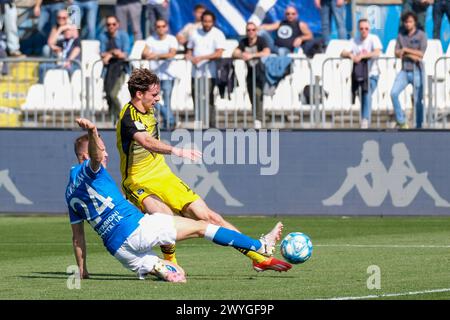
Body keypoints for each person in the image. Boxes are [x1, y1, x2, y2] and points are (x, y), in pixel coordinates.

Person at [68, 117, 288, 282]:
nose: (105, 154)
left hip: (120, 251)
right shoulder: (91, 169)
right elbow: (96, 157)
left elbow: (78, 238)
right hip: (137, 229)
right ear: (86, 156)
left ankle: (163, 266)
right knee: (203, 226)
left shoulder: (69, 193)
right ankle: (260, 246)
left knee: (177, 275)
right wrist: (93, 130)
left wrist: (82, 270)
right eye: (102, 149)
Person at [116, 68, 291, 272]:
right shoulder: (128, 116)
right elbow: (146, 141)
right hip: (137, 181)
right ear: (139, 94)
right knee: (164, 217)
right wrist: (176, 150)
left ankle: (257, 257)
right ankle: (171, 262)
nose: (158, 98)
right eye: (154, 94)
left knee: (210, 217)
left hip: (162, 175)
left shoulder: (150, 108)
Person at [186, 10, 225, 128]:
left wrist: (202, 58)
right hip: (195, 72)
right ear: (201, 21)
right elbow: (188, 51)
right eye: (205, 21)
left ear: (213, 22)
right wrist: (191, 58)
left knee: (208, 97)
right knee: (196, 96)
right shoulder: (194, 33)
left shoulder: (218, 34)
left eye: (209, 21)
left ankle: (211, 124)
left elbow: (219, 53)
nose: (207, 24)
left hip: (210, 73)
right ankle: (198, 121)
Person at [341, 19, 382, 129]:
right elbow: (343, 52)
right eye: (361, 28)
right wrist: (352, 56)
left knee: (366, 92)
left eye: (366, 28)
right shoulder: (354, 40)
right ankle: (365, 119)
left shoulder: (373, 38)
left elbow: (377, 52)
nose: (364, 31)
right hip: (359, 75)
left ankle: (365, 119)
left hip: (372, 73)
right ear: (359, 29)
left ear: (369, 29)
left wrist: (362, 56)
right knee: (363, 96)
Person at [322, 140, 389, 207]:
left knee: (353, 173)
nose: (362, 151)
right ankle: (337, 197)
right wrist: (363, 159)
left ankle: (337, 197)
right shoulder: (375, 162)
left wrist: (363, 158)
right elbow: (360, 169)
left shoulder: (375, 163)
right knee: (354, 173)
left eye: (364, 149)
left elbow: (358, 170)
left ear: (371, 151)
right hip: (374, 199)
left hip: (374, 201)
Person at [390, 11, 427, 129]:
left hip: (418, 71)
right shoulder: (401, 35)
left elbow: (420, 54)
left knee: (417, 100)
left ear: (415, 22)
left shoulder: (421, 35)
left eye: (410, 21)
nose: (407, 24)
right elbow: (396, 52)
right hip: (405, 70)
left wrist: (405, 50)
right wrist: (410, 55)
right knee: (394, 93)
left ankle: (419, 126)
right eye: (406, 22)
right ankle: (401, 121)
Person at [232, 21, 270, 129]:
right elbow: (234, 53)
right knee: (252, 95)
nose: (251, 32)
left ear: (256, 31)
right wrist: (241, 54)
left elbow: (267, 52)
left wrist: (252, 55)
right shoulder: (243, 42)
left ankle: (259, 118)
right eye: (248, 30)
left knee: (258, 94)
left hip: (260, 73)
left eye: (253, 30)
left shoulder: (261, 41)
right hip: (250, 73)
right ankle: (255, 118)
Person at [388, 142, 450, 207]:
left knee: (421, 178)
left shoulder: (398, 165)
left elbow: (415, 175)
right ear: (401, 153)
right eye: (406, 150)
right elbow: (416, 176)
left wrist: (408, 160)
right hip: (400, 201)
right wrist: (408, 160)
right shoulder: (398, 167)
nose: (408, 151)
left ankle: (438, 200)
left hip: (401, 197)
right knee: (422, 178)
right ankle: (439, 200)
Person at [142, 19, 177, 130]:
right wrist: (152, 55)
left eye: (163, 26)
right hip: (154, 77)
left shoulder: (171, 39)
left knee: (167, 101)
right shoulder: (151, 39)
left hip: (168, 75)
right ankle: (170, 120)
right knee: (152, 100)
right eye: (158, 26)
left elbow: (172, 53)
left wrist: (156, 55)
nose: (161, 28)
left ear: (166, 27)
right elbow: (144, 53)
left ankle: (168, 123)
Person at [99, 15, 130, 123]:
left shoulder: (123, 35)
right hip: (108, 70)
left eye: (113, 24)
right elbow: (102, 54)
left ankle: (122, 117)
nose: (111, 26)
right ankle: (114, 118)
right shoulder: (103, 36)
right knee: (108, 95)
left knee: (113, 94)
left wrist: (111, 54)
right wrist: (113, 52)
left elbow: (124, 54)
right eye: (108, 24)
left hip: (120, 69)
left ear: (118, 25)